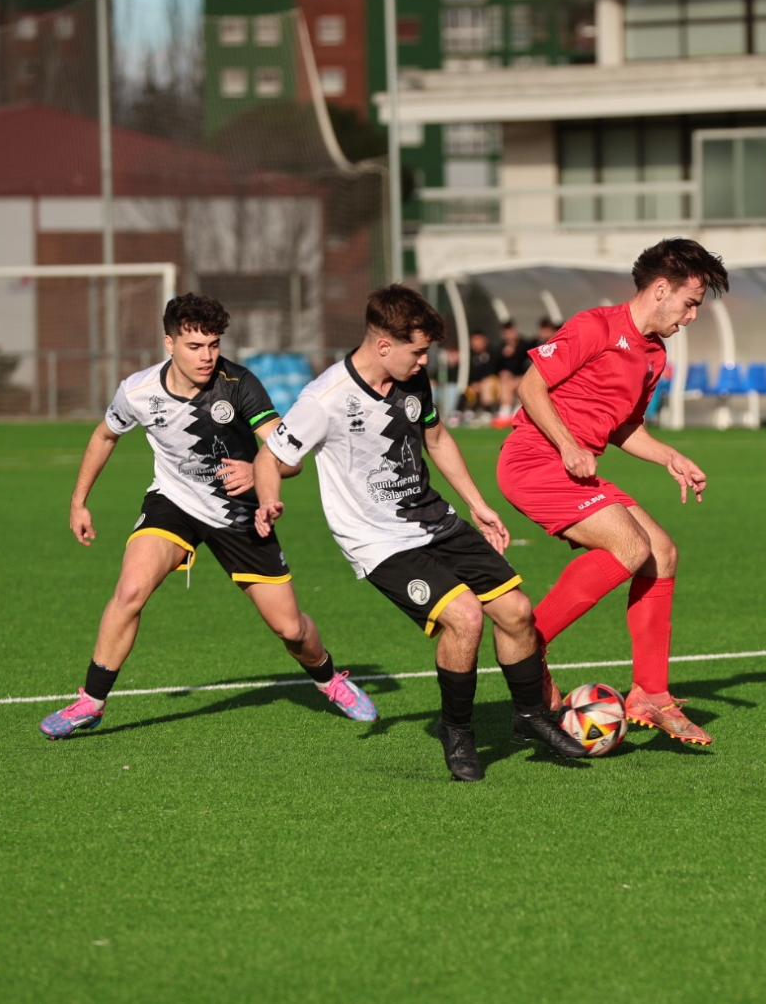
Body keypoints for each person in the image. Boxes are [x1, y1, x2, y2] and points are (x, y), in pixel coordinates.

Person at [252, 285, 588, 781]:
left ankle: (531, 716)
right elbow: (270, 456)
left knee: (517, 613)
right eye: (419, 350)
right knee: (465, 618)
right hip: (378, 540)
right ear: (384, 345)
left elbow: (435, 437)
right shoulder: (323, 399)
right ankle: (459, 733)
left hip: (435, 520)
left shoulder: (412, 378)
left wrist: (477, 505)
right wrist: (267, 498)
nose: (425, 359)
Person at [39, 294, 375, 739]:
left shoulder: (239, 383)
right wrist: (78, 500)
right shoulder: (138, 391)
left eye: (213, 345)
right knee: (130, 590)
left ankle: (329, 679)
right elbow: (105, 436)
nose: (207, 356)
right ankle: (90, 702)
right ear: (169, 343)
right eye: (195, 346)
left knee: (290, 629)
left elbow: (289, 458)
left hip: (238, 513)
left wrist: (259, 469)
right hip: (173, 504)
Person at [497, 238, 728, 745]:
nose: (691, 317)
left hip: (574, 469)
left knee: (662, 553)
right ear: (661, 289)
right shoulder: (595, 326)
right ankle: (528, 642)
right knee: (630, 547)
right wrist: (566, 444)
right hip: (535, 460)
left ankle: (650, 694)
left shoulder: (654, 355)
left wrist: (671, 456)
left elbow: (623, 428)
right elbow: (530, 387)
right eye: (690, 303)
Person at [494, 320, 534, 427]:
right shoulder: (500, 348)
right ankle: (506, 410)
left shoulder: (525, 345)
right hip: (506, 380)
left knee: (517, 380)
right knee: (505, 378)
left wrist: (515, 350)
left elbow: (527, 364)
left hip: (523, 377)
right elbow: (495, 366)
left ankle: (512, 411)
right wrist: (504, 355)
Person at [463, 330, 499, 418]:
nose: (476, 343)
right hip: (474, 385)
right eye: (474, 340)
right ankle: (468, 411)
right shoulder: (469, 356)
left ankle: (488, 411)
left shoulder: (494, 353)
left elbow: (494, 370)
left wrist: (480, 383)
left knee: (487, 383)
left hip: (494, 384)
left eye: (478, 340)